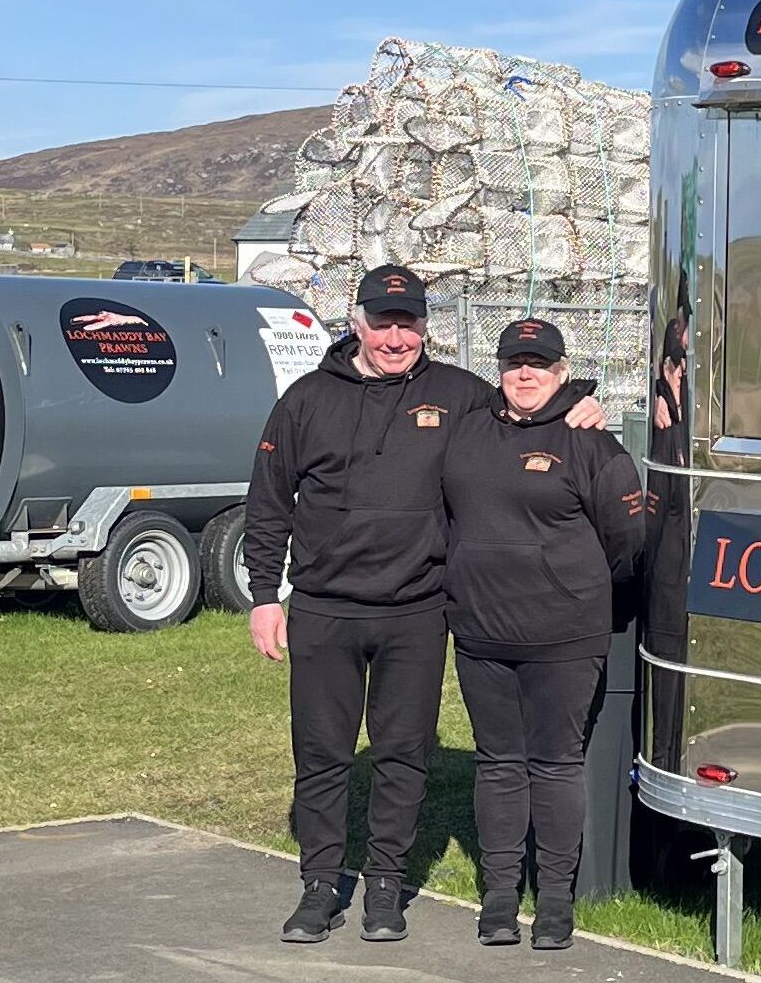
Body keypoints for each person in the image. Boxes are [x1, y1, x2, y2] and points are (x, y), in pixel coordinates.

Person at [244, 265, 601, 944]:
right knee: (320, 756)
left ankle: (385, 887)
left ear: (424, 327)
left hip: (417, 609)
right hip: (323, 607)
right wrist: (266, 595)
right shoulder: (306, 400)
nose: (396, 336)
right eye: (383, 322)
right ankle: (319, 887)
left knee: (402, 755)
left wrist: (584, 401)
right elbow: (268, 502)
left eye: (408, 323)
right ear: (357, 324)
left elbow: (528, 406)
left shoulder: (460, 396)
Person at [443, 316, 648, 949]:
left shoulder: (590, 441)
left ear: (561, 372)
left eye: (538, 363)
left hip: (563, 636)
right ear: (498, 370)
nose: (524, 374)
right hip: (480, 632)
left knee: (556, 764)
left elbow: (629, 541)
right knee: (499, 764)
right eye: (513, 363)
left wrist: (574, 591)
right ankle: (501, 895)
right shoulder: (469, 431)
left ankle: (555, 898)